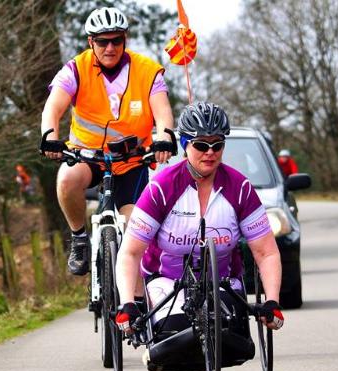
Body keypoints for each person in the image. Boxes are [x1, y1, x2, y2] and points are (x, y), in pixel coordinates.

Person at [115, 102, 284, 341]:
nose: (210, 152)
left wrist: (272, 300)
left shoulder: (240, 188)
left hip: (223, 282)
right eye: (201, 145)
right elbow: (130, 253)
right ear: (185, 145)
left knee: (230, 336)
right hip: (168, 282)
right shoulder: (161, 188)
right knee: (176, 335)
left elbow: (266, 252)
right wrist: (128, 303)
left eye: (217, 145)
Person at [40, 7, 175, 276]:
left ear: (125, 39)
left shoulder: (147, 71)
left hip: (131, 161)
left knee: (135, 227)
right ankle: (79, 239)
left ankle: (132, 304)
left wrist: (164, 138)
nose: (110, 47)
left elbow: (163, 113)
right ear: (91, 42)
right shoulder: (76, 69)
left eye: (116, 40)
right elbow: (53, 108)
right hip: (86, 157)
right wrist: (49, 136)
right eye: (102, 41)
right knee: (66, 180)